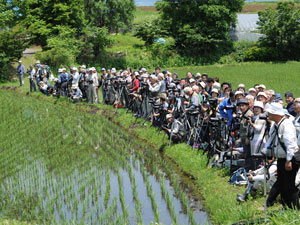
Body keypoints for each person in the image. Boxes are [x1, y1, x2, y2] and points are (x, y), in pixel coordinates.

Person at [263, 102, 299, 209]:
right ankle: (285, 207)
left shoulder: (287, 125)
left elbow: (290, 144)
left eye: (270, 112)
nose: (268, 114)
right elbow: (270, 140)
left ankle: (295, 208)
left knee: (289, 186)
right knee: (282, 185)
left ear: (275, 113)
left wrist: (289, 160)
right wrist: (265, 152)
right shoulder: (275, 125)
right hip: (280, 159)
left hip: (289, 159)